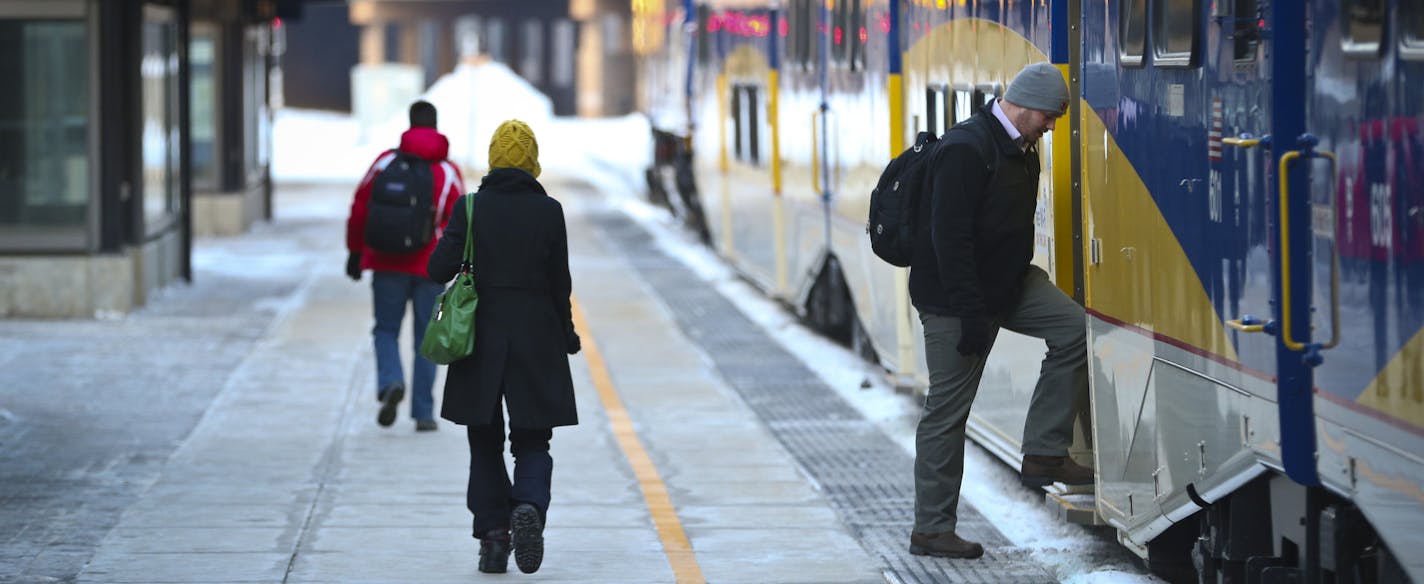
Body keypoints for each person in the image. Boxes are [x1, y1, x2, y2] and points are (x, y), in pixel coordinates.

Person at [907, 62, 1091, 559]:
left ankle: (1045, 452)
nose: (1053, 126)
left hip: (1006, 285)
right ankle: (931, 529)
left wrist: (1008, 287)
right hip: (954, 298)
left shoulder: (1023, 147)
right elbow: (950, 240)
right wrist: (970, 313)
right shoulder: (967, 149)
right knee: (948, 413)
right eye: (1050, 117)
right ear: (1027, 104)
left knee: (1076, 330)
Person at [427, 119, 580, 575]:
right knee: (533, 439)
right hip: (536, 337)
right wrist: (567, 334)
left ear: (494, 160)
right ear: (532, 161)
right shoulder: (549, 211)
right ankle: (529, 503)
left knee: (484, 441)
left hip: (480, 340)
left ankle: (493, 539)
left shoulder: (470, 207)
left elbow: (438, 268)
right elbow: (560, 285)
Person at [345, 100, 465, 431]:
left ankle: (391, 382)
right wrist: (461, 266)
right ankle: (424, 413)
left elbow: (360, 206)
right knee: (428, 337)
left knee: (385, 330)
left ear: (409, 125)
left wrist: (355, 252)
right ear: (436, 126)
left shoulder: (385, 162)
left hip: (386, 263)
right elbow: (460, 223)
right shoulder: (448, 172)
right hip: (431, 268)